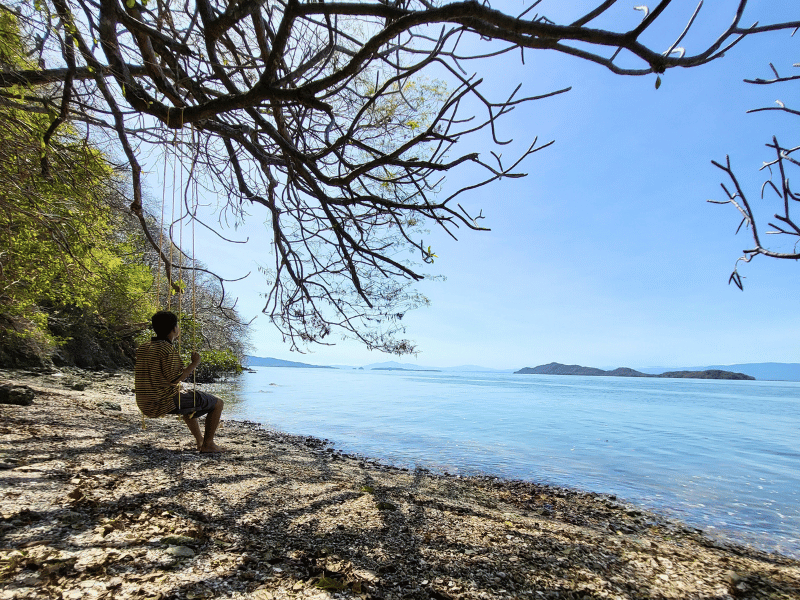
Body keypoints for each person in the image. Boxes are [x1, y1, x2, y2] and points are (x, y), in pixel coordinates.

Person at [135, 310, 225, 453]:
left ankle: (200, 440)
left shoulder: (144, 347)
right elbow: (175, 378)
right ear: (174, 329)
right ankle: (208, 444)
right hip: (161, 402)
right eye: (177, 325)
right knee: (218, 403)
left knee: (187, 398)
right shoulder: (166, 349)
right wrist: (194, 363)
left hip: (144, 401)